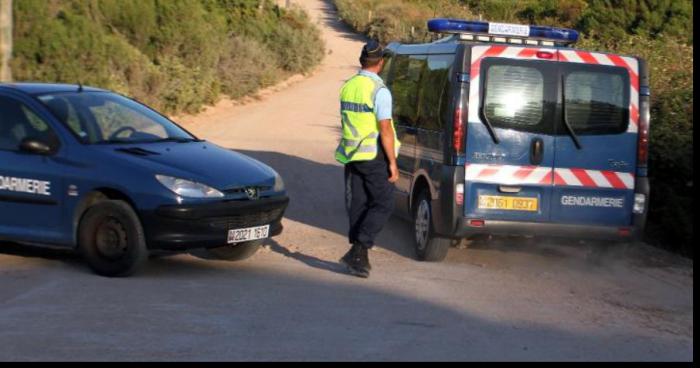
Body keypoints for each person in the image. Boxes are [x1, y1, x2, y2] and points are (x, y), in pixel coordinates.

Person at [335, 40, 401, 278]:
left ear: (361, 61)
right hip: (373, 155)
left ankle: (357, 255)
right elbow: (385, 129)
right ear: (381, 63)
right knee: (384, 203)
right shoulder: (379, 91)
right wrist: (392, 163)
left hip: (352, 154)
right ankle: (359, 250)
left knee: (359, 203)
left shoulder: (349, 85)